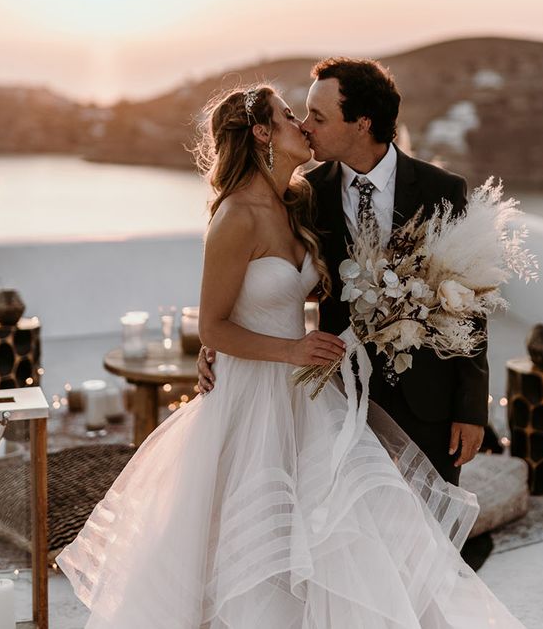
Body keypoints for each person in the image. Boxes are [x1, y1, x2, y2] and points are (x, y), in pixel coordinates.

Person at [58, 85, 523, 627]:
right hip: (255, 397)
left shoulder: (298, 202)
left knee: (332, 533)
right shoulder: (234, 216)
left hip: (311, 393)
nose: (302, 124)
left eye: (311, 116)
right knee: (252, 538)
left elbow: (293, 296)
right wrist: (269, 346)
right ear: (260, 132)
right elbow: (214, 320)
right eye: (289, 116)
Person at [199, 58, 488, 487]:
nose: (307, 127)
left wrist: (471, 410)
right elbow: (251, 283)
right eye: (301, 116)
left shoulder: (441, 191)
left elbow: (470, 303)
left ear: (361, 123)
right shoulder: (305, 197)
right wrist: (217, 348)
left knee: (428, 538)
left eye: (318, 116)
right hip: (338, 396)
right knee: (351, 536)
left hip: (428, 401)